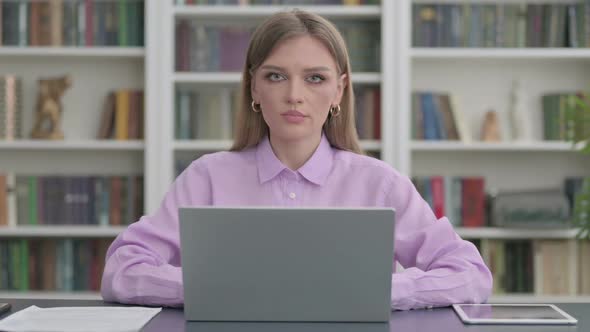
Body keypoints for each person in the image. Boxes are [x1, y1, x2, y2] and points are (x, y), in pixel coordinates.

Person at [101, 9, 492, 311]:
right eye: (275, 77)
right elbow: (122, 271)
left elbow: (470, 276)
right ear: (253, 85)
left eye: (315, 78)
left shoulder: (380, 184)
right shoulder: (207, 177)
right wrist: (216, 288)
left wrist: (377, 291)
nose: (294, 95)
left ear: (339, 90)